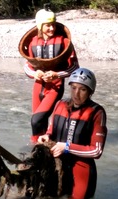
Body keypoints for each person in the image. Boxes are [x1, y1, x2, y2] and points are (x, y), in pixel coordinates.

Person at [36, 67, 107, 199]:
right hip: (57, 165)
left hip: (81, 170)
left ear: (90, 92)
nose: (77, 93)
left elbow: (96, 150)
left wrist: (67, 147)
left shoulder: (97, 112)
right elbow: (51, 131)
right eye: (73, 88)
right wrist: (46, 137)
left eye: (83, 89)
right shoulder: (60, 104)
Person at [24, 9, 79, 144]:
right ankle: (40, 148)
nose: (51, 28)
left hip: (55, 86)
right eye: (48, 25)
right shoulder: (33, 42)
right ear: (40, 26)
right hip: (38, 86)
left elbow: (75, 67)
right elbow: (27, 66)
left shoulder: (64, 42)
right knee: (39, 122)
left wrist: (57, 75)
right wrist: (34, 73)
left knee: (35, 120)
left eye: (53, 24)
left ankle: (39, 149)